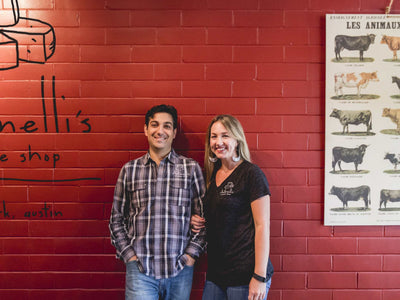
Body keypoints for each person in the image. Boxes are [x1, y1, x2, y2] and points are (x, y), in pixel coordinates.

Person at [109, 104, 206, 300]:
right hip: (141, 272)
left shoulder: (190, 169)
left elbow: (206, 219)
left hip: (180, 270)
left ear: (174, 132)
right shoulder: (130, 171)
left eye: (167, 126)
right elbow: (116, 220)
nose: (160, 131)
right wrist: (130, 256)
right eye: (154, 125)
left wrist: (191, 256)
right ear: (146, 129)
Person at [191, 114, 273, 300]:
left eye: (225, 135)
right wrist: (197, 220)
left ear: (237, 140)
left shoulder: (251, 174)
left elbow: (262, 226)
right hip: (216, 275)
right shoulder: (212, 176)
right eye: (214, 136)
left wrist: (259, 277)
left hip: (245, 275)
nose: (218, 142)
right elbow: (219, 217)